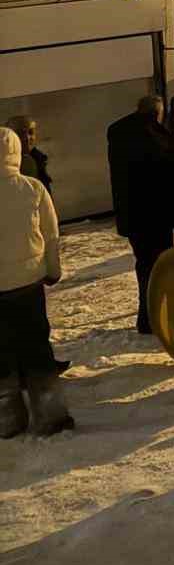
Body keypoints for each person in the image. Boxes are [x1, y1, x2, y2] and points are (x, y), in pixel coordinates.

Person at [0, 128, 72, 439]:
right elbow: (52, 235)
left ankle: (7, 419)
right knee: (36, 348)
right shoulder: (33, 188)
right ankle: (50, 416)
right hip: (28, 283)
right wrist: (52, 270)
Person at [106, 94, 174, 335]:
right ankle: (154, 317)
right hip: (156, 216)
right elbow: (172, 170)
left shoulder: (117, 131)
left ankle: (146, 316)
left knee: (143, 264)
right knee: (158, 267)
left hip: (131, 216)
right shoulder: (158, 137)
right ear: (157, 113)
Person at [7, 117, 52, 194]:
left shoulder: (38, 160)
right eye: (20, 133)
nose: (27, 138)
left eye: (31, 132)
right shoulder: (4, 163)